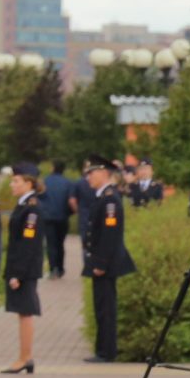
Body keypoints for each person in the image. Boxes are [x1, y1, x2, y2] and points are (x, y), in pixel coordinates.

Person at [80, 155, 136, 363]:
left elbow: (110, 235)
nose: (88, 178)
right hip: (100, 262)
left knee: (106, 309)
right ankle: (102, 349)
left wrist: (101, 263)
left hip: (106, 264)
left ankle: (106, 352)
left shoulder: (110, 199)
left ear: (104, 173)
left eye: (91, 173)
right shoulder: (103, 196)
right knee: (101, 307)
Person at [1, 163, 43, 373]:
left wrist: (17, 273)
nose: (12, 184)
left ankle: (25, 357)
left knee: (25, 312)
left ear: (29, 183)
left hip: (24, 270)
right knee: (22, 312)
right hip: (21, 267)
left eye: (16, 180)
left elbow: (28, 244)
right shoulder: (24, 205)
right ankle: (25, 356)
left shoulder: (31, 208)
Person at [37, 158, 74, 276]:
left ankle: (53, 269)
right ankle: (61, 268)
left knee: (50, 244)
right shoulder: (68, 183)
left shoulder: (45, 181)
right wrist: (68, 213)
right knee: (60, 243)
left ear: (53, 168)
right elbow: (71, 201)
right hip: (62, 217)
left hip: (48, 217)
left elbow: (39, 197)